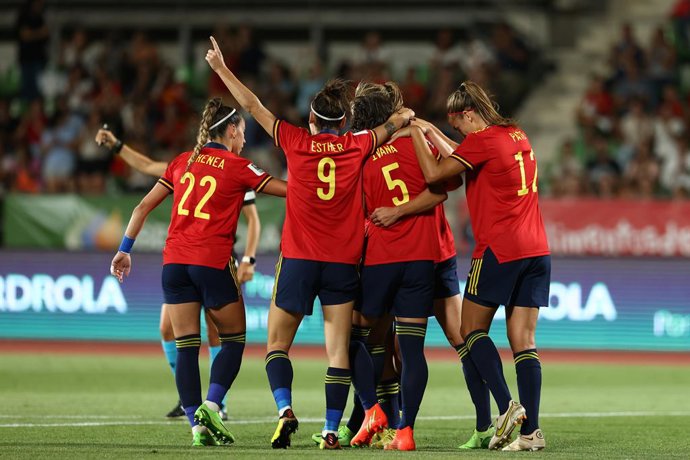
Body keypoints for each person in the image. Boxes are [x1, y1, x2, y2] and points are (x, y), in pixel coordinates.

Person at [205, 36, 413, 450]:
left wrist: (221, 69)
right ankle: (333, 430)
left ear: (313, 121)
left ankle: (285, 410)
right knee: (338, 352)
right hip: (341, 263)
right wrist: (404, 115)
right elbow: (389, 127)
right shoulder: (357, 145)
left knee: (277, 345)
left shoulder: (295, 142)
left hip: (299, 259)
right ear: (343, 124)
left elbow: (252, 106)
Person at [110, 98, 286, 446]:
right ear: (232, 130)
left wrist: (124, 250)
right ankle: (211, 403)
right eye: (244, 133)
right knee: (234, 339)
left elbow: (142, 207)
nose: (245, 140)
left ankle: (196, 427)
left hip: (174, 265)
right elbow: (287, 191)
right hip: (212, 262)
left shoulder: (181, 162)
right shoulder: (238, 166)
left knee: (187, 346)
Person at [409, 81, 551, 452]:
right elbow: (465, 151)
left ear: (468, 114)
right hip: (537, 249)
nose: (459, 132)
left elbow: (437, 174)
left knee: (470, 329)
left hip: (500, 249)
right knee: (524, 342)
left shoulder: (483, 140)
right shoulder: (513, 133)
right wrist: (432, 129)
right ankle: (531, 433)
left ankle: (506, 406)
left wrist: (414, 134)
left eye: (458, 125)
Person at [95, 127, 261, 419]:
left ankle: (216, 403)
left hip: (216, 256)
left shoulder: (235, 171)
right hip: (185, 256)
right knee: (167, 328)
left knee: (214, 333)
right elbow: (147, 166)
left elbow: (253, 221)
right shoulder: (187, 164)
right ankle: (189, 400)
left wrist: (249, 258)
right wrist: (118, 145)